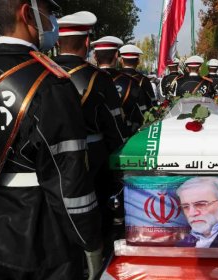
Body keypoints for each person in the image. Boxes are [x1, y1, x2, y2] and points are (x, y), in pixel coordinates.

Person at [0, 1, 102, 279]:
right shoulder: (50, 84)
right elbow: (70, 185)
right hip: (38, 249)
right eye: (48, 12)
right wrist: (90, 243)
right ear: (27, 14)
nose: (53, 20)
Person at [54, 11, 126, 253]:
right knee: (97, 207)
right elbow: (114, 127)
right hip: (92, 156)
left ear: (57, 41)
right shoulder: (99, 78)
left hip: (51, 157)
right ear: (87, 43)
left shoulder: (42, 73)